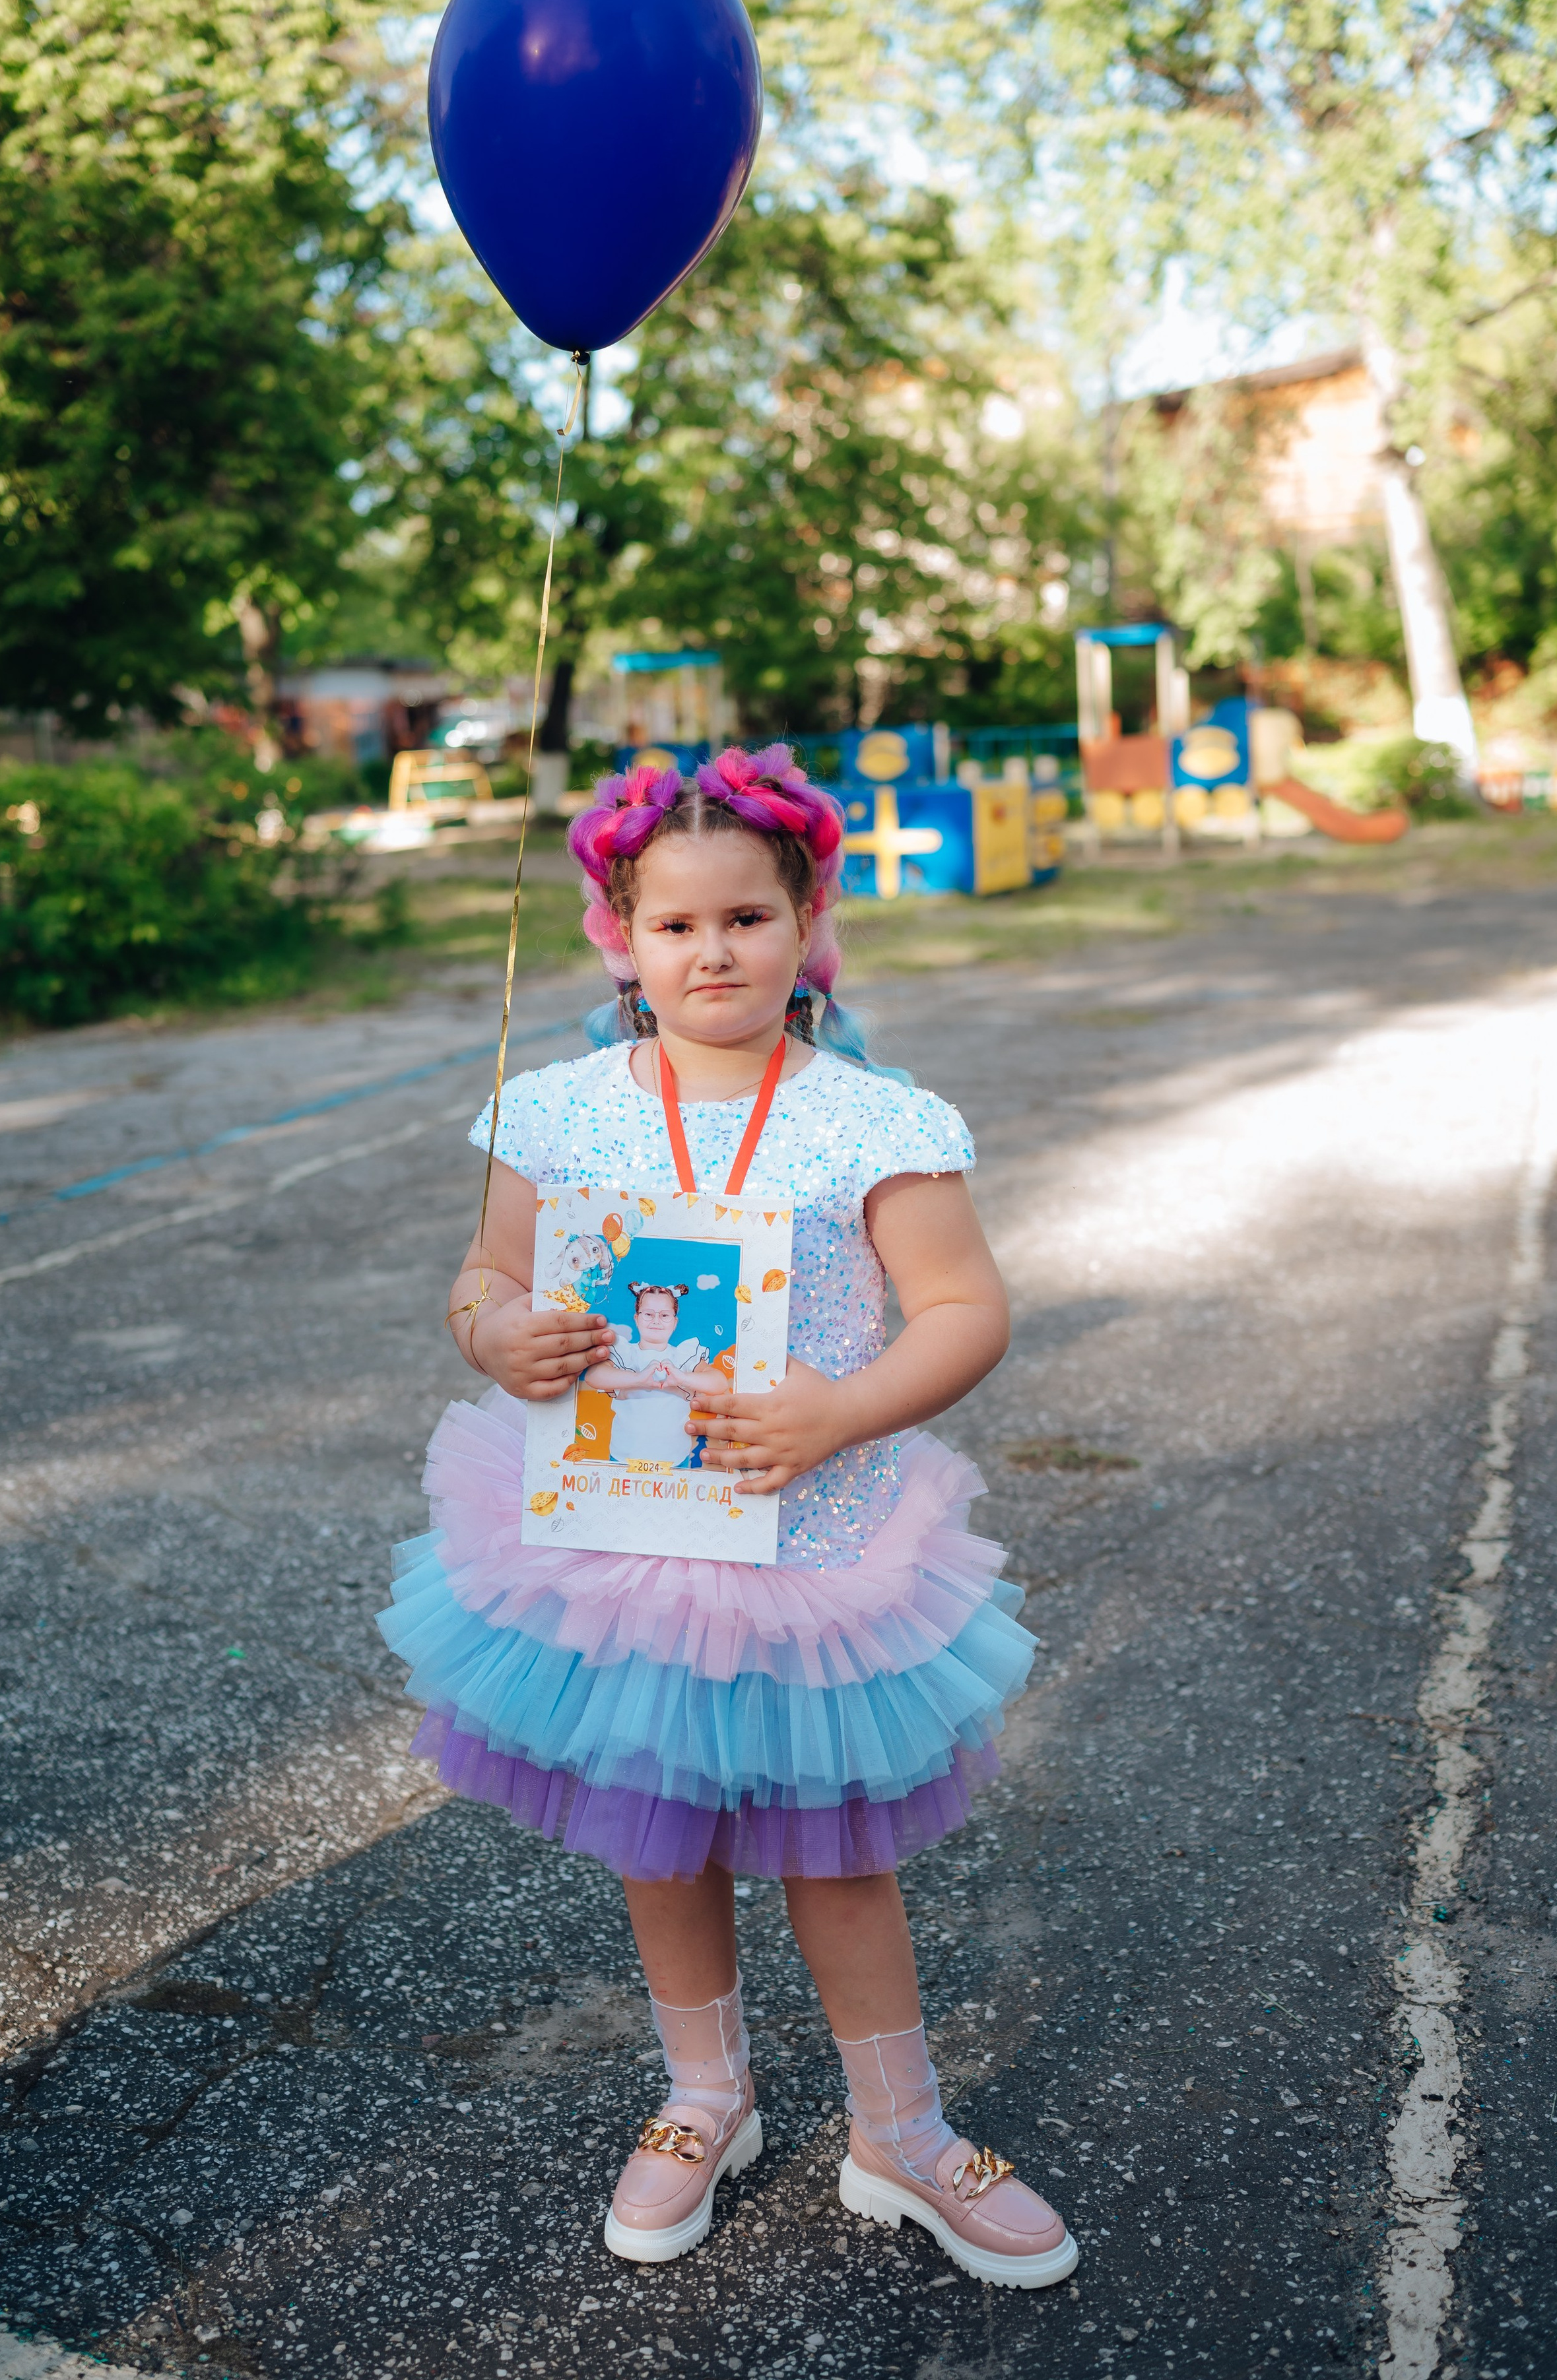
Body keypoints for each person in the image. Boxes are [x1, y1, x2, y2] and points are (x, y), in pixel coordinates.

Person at [379, 746, 1076, 2290]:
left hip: (808, 1544)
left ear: (807, 919)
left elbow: (962, 1308)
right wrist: (497, 1334)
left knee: (835, 1849)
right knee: (659, 1830)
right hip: (620, 1545)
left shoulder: (872, 1120)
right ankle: (707, 2092)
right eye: (675, 923)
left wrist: (841, 1407)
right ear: (617, 934)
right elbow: (482, 1279)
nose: (712, 951)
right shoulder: (553, 1112)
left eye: (747, 917)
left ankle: (898, 2127)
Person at [583, 1279, 726, 1463]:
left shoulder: (683, 1356)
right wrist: (638, 1379)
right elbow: (594, 1376)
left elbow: (719, 1382)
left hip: (674, 1460)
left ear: (675, 1322)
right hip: (624, 1458)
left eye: (665, 1315)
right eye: (648, 1314)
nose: (656, 1321)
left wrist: (682, 1378)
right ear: (637, 1319)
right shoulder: (626, 1353)